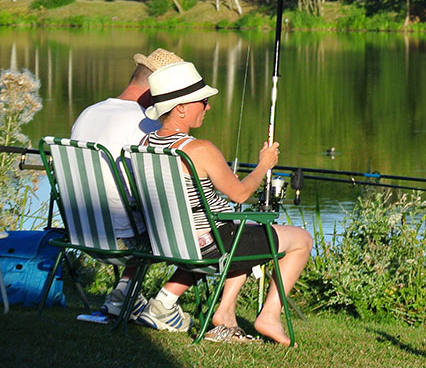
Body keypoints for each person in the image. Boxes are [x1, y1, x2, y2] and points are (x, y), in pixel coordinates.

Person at [143, 60, 312, 345]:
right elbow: (240, 194)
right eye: (203, 101)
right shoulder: (199, 148)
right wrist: (264, 164)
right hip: (212, 244)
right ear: (182, 107)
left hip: (172, 241)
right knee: (301, 240)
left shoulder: (147, 143)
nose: (208, 107)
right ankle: (269, 315)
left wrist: (215, 179)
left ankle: (224, 313)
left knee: (242, 235)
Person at [69, 47, 196, 330]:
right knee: (189, 225)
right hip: (124, 238)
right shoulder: (147, 124)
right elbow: (165, 187)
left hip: (82, 232)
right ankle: (163, 304)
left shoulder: (89, 112)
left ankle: (125, 295)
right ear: (158, 91)